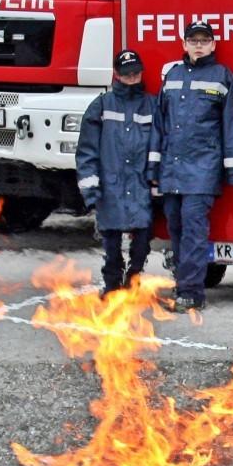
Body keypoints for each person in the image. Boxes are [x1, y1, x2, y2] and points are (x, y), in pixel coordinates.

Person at [151, 21, 233, 313]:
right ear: (184, 44)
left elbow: (232, 124)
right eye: (194, 40)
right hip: (172, 168)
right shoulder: (173, 75)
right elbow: (159, 124)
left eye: (205, 40)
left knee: (193, 229)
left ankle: (192, 292)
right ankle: (183, 285)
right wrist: (153, 170)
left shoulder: (222, 76)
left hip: (203, 169)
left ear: (213, 45)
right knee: (176, 228)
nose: (199, 45)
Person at [76, 49, 158, 295]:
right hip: (110, 187)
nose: (132, 77)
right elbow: (87, 151)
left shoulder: (151, 104)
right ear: (117, 75)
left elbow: (160, 143)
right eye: (127, 74)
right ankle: (112, 286)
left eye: (136, 73)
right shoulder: (101, 106)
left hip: (141, 185)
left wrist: (157, 182)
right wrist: (91, 190)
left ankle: (134, 278)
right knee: (111, 245)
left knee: (142, 241)